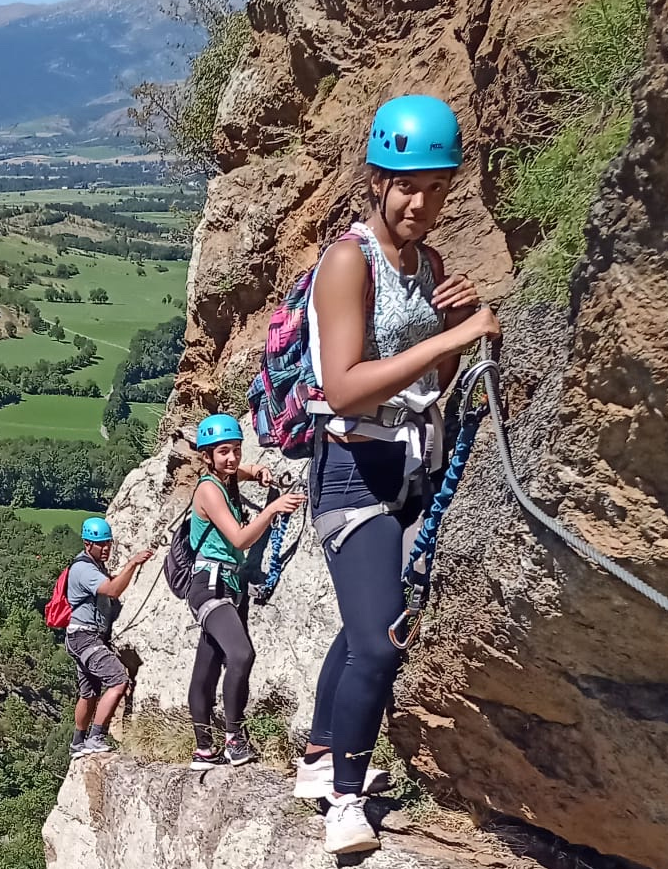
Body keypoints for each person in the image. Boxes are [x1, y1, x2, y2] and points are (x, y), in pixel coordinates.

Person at [299, 95, 500, 855]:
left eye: (438, 187)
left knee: (361, 627)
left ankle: (319, 758)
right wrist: (462, 332)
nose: (422, 202)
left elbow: (433, 380)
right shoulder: (350, 260)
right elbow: (346, 384)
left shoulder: (429, 266)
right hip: (351, 464)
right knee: (382, 641)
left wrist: (457, 326)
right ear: (377, 180)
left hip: (409, 460)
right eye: (408, 185)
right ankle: (346, 798)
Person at [186, 414, 305, 770]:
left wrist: (255, 471)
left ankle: (204, 750)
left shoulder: (223, 479)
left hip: (229, 585)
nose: (232, 458)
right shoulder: (208, 489)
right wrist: (271, 509)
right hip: (210, 586)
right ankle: (235, 740)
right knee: (241, 655)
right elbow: (239, 538)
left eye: (236, 450)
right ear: (206, 456)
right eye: (224, 451)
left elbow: (238, 472)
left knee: (206, 669)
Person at [65, 516, 154, 757]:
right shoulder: (83, 568)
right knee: (118, 679)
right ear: (87, 544)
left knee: (89, 692)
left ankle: (78, 743)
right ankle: (96, 737)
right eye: (100, 544)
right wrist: (132, 564)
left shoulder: (93, 566)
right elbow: (113, 590)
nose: (105, 548)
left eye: (108, 543)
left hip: (80, 637)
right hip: (85, 636)